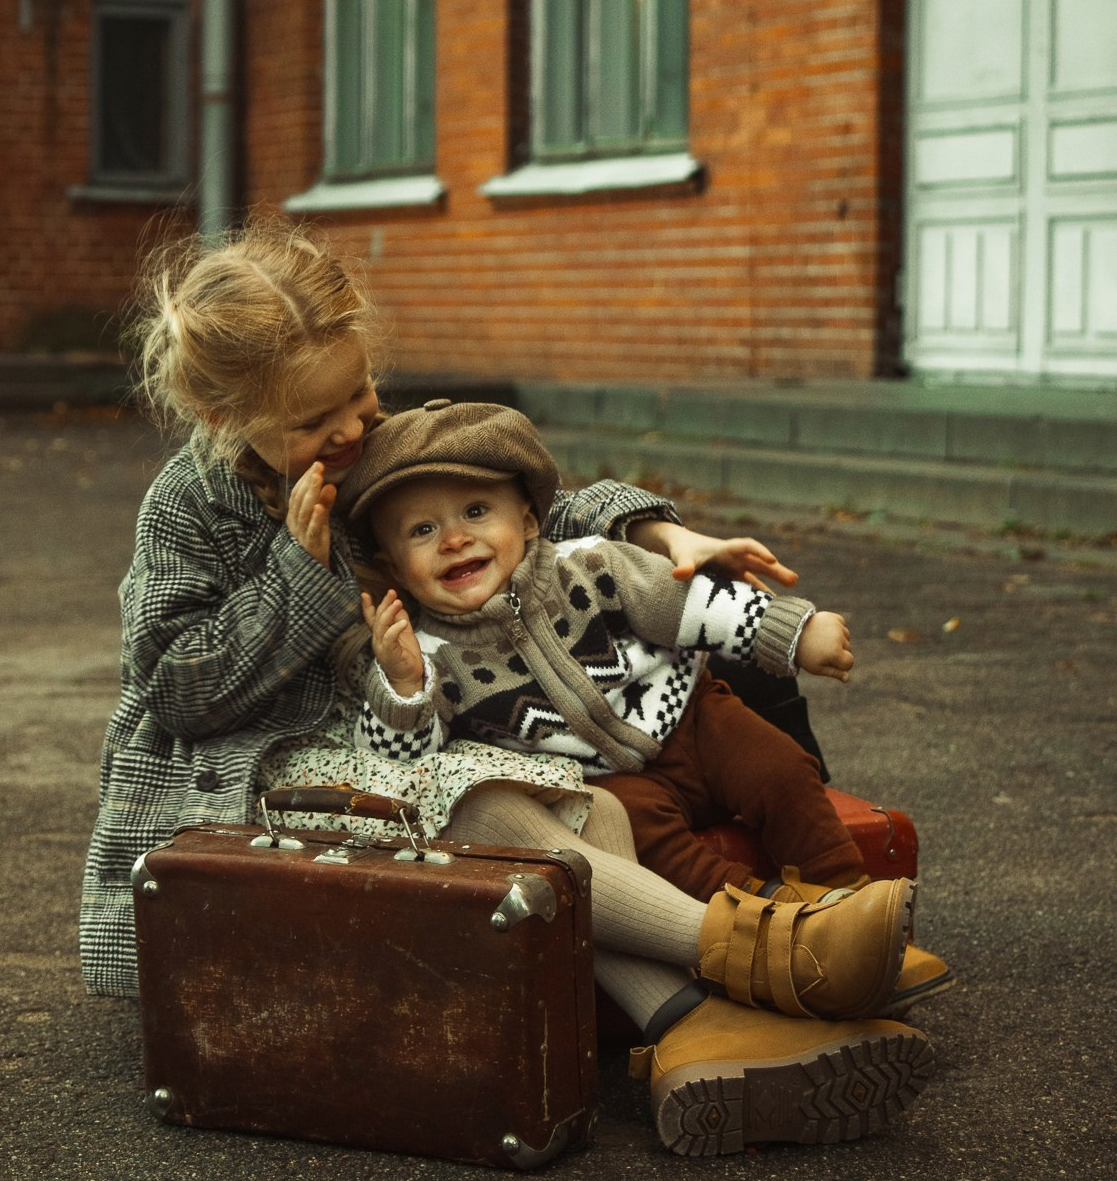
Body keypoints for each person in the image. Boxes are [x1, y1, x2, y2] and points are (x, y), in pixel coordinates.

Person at [81, 222, 933, 1157]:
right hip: (257, 766)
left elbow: (522, 503)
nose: (355, 430)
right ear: (224, 420)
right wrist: (296, 569)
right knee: (474, 798)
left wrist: (658, 539)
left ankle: (694, 1024)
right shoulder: (185, 509)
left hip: (403, 717)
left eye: (362, 393)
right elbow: (174, 690)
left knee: (579, 810)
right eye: (316, 422)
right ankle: (774, 957)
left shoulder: (360, 447)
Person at [340, 399, 950, 1010]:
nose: (454, 539)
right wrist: (400, 689)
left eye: (477, 511)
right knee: (651, 851)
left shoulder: (591, 566)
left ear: (529, 521)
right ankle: (789, 932)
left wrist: (792, 632)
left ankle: (850, 899)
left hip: (692, 717)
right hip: (603, 780)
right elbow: (408, 770)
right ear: (393, 565)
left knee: (780, 768)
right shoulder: (424, 653)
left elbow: (688, 606)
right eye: (422, 530)